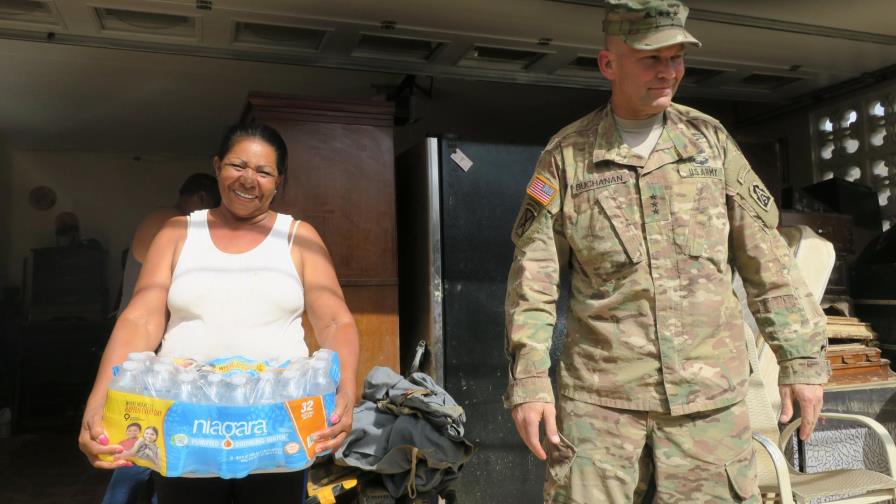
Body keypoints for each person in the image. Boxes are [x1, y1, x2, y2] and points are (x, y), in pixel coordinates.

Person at [504, 1, 830, 502]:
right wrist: (529, 381)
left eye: (676, 58)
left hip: (709, 407)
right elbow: (534, 280)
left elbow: (767, 261)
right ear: (608, 64)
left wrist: (801, 362)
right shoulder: (567, 157)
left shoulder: (710, 143)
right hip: (602, 407)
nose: (668, 72)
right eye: (652, 58)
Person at [79, 122, 360, 503]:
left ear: (279, 182)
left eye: (263, 172)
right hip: (186, 427)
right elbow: (139, 319)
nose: (249, 180)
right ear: (217, 166)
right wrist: (99, 401)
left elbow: (335, 321)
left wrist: (346, 391)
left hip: (276, 429)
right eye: (237, 166)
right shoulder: (177, 233)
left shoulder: (299, 238)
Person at [116, 172, 220, 314]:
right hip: (144, 323)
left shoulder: (162, 216)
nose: (211, 215)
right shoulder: (173, 221)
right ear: (201, 198)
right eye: (213, 208)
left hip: (139, 318)